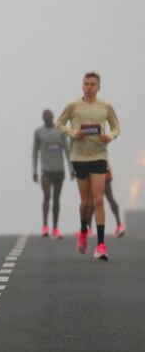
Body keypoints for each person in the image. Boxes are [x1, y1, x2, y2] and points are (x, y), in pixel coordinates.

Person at [55, 71, 120, 260]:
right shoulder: (73, 106)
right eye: (86, 84)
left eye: (93, 84)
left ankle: (100, 245)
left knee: (98, 200)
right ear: (82, 86)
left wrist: (109, 136)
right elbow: (59, 124)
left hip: (99, 156)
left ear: (99, 87)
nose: (89, 87)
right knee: (86, 202)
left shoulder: (105, 107)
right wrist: (73, 133)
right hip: (79, 157)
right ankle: (83, 230)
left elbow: (116, 127)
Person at [32, 109, 73, 239]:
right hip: (45, 170)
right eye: (45, 116)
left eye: (49, 116)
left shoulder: (60, 131)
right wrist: (34, 171)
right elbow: (34, 152)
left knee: (56, 199)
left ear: (53, 117)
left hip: (59, 170)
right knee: (47, 196)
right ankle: (45, 226)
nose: (47, 118)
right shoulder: (38, 132)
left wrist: (71, 169)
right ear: (42, 118)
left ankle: (55, 227)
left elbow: (67, 150)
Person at [88, 165, 126, 237]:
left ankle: (88, 228)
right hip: (102, 169)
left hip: (97, 170)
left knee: (94, 200)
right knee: (109, 198)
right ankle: (119, 225)